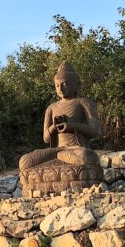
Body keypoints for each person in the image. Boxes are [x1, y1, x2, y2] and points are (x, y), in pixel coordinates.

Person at [18, 61, 104, 193]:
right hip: (56, 150)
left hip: (75, 149)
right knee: (24, 162)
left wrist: (71, 126)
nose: (61, 88)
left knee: (86, 157)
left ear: (77, 86)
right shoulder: (51, 108)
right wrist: (52, 129)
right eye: (57, 85)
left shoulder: (84, 102)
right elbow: (46, 139)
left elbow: (95, 131)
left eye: (65, 84)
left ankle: (60, 164)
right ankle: (60, 162)